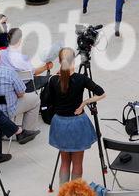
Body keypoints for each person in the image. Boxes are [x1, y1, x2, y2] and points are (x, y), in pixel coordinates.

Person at [47, 48, 105, 186]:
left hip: (60, 124)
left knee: (64, 162)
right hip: (77, 124)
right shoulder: (81, 79)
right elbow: (101, 93)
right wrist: (83, 103)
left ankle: (64, 192)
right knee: (77, 163)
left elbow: (50, 103)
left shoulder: (53, 80)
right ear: (74, 61)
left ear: (59, 61)